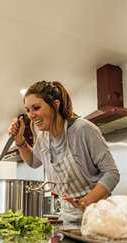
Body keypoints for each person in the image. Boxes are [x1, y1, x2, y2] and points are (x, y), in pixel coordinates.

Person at [9, 80, 119, 218]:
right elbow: (33, 161)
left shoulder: (82, 129)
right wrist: (19, 141)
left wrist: (85, 202)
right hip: (67, 217)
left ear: (55, 105)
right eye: (28, 110)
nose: (31, 115)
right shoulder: (43, 138)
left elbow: (112, 173)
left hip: (97, 214)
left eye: (36, 108)